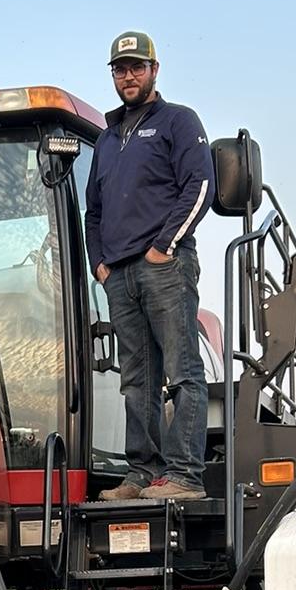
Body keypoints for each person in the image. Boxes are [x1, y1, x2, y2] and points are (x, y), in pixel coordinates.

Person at [84, 31, 216, 501]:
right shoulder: (104, 139)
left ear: (154, 70)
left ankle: (184, 476)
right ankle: (142, 475)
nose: (129, 76)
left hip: (165, 268)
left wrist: (163, 247)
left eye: (137, 67)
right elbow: (92, 212)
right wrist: (100, 264)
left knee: (182, 371)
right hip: (119, 277)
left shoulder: (177, 121)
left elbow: (200, 183)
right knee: (135, 381)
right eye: (120, 69)